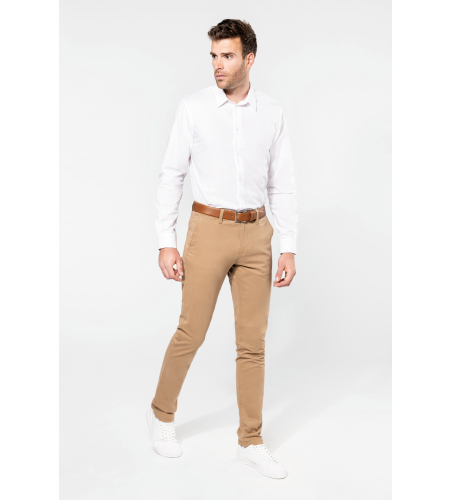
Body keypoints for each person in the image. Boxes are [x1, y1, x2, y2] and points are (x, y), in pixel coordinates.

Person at [147, 19, 298, 480]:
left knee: (252, 343)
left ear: (249, 59)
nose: (218, 64)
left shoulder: (271, 112)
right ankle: (161, 415)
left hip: (257, 234)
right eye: (214, 56)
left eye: (227, 56)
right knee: (191, 331)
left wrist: (288, 246)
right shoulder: (193, 108)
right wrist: (166, 241)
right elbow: (171, 174)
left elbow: (282, 183)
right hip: (208, 229)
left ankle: (250, 441)